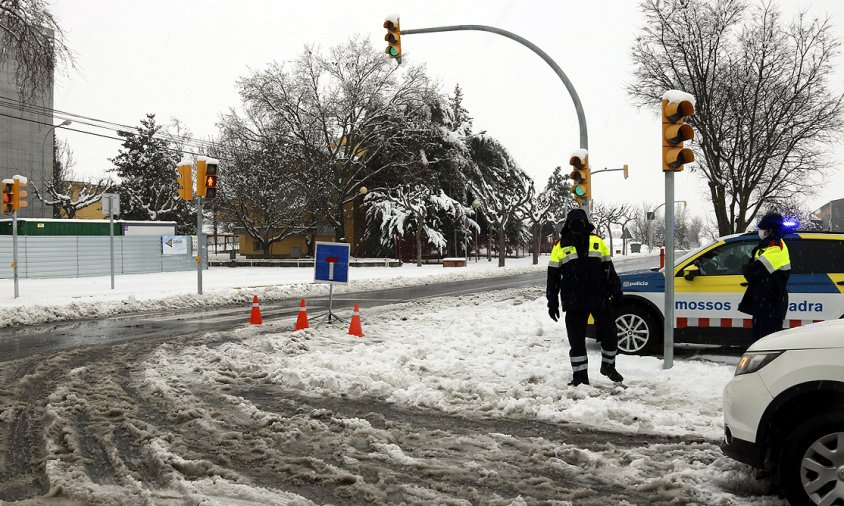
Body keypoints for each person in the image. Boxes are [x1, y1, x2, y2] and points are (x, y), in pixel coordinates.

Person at [546, 209, 624, 386]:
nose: (577, 226)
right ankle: (580, 378)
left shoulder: (597, 241)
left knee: (610, 334)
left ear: (585, 223)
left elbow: (609, 270)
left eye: (580, 222)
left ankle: (608, 367)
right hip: (573, 301)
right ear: (567, 224)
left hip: (599, 297)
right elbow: (553, 278)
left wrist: (616, 292)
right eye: (573, 222)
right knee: (577, 341)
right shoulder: (559, 246)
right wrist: (552, 302)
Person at [738, 212, 791, 340]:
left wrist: (746, 267)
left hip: (771, 304)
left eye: (763, 229)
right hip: (764, 303)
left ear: (770, 230)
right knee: (759, 340)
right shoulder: (767, 246)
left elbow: (753, 272)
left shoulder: (776, 247)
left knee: (766, 343)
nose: (760, 232)